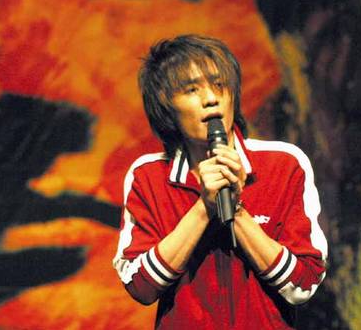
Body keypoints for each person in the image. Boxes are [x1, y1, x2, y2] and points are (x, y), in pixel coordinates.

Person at [113, 35, 328, 329]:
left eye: (219, 85)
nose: (211, 99)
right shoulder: (148, 177)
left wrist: (236, 210)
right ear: (165, 104)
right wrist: (204, 208)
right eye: (192, 89)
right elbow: (141, 286)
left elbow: (303, 285)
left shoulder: (284, 164)